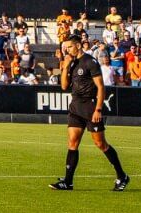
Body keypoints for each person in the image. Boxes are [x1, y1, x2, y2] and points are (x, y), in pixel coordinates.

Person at [51, 40, 128, 191]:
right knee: (72, 143)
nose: (67, 50)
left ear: (78, 45)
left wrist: (98, 109)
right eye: (65, 48)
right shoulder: (72, 63)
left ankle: (122, 176)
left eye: (70, 47)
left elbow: (100, 87)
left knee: (101, 144)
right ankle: (68, 181)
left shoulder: (90, 62)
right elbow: (64, 86)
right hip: (75, 107)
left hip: (90, 107)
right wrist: (65, 66)